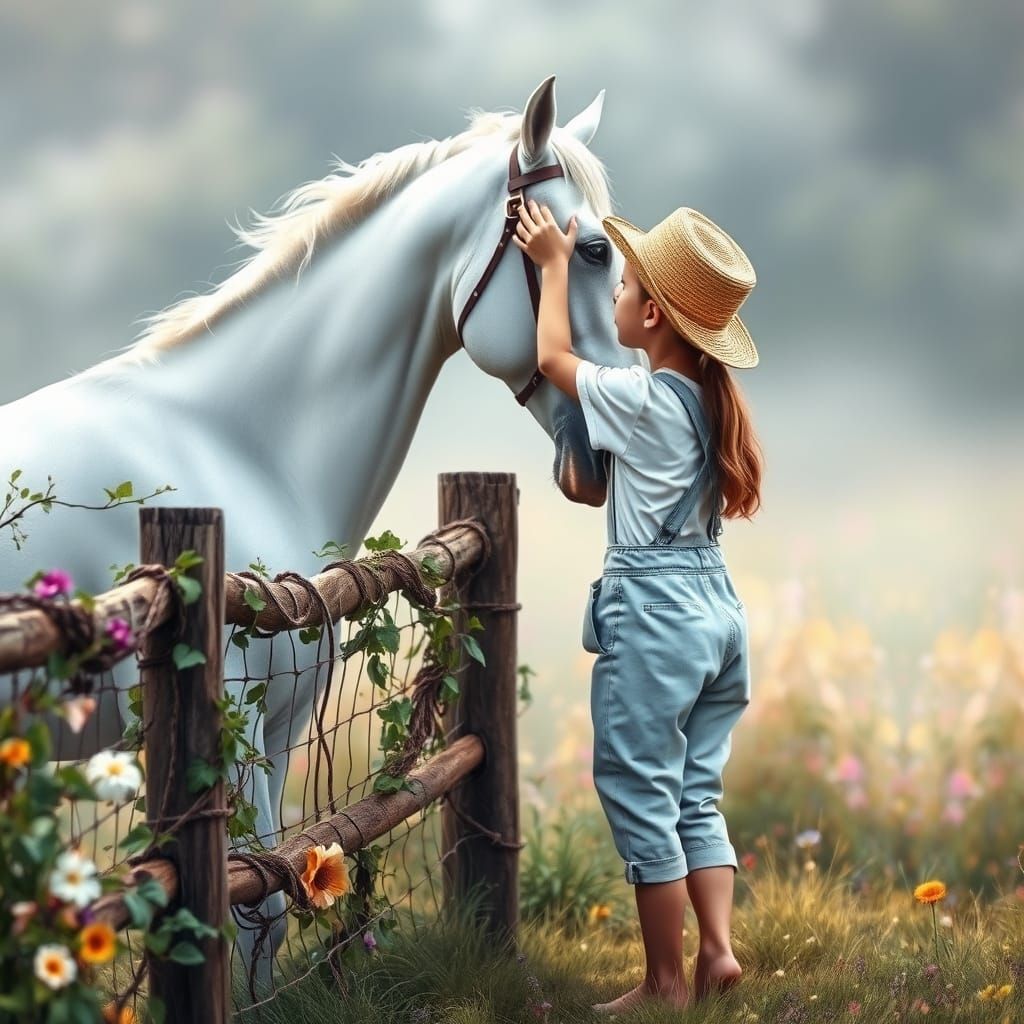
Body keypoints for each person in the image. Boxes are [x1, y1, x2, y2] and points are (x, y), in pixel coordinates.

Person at [512, 198, 764, 1015]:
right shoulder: (706, 405)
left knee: (638, 783)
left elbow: (551, 356)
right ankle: (717, 953)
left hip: (654, 613)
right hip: (715, 609)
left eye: (621, 286)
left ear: (651, 313)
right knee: (696, 788)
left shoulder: (641, 397)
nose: (614, 297)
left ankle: (663, 984)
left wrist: (553, 265)